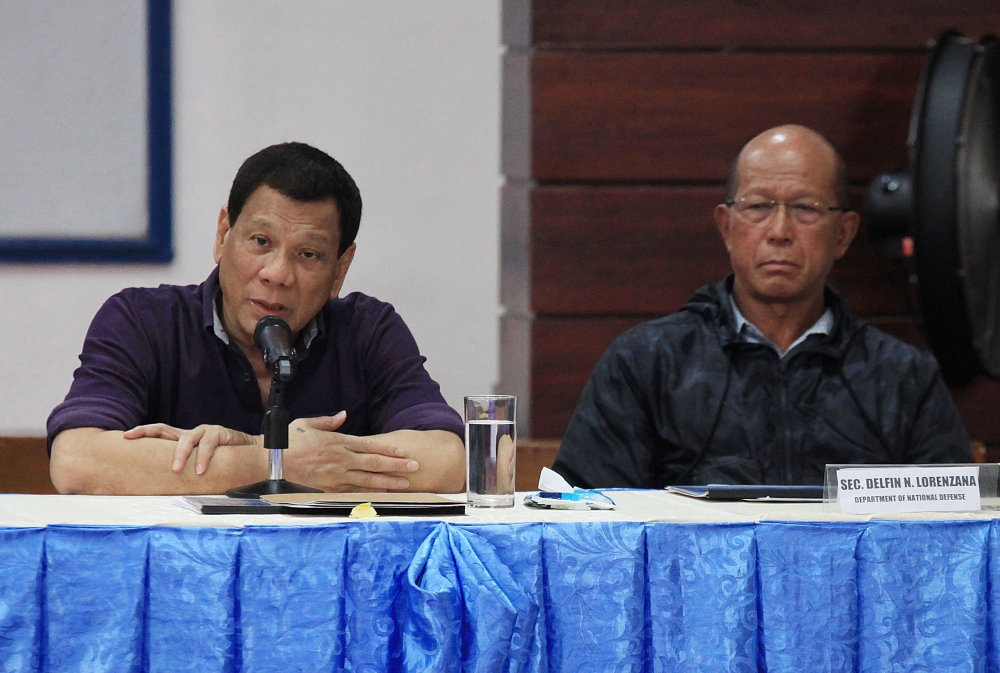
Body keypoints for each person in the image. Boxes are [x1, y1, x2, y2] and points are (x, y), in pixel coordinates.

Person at [552, 125, 971, 488]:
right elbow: (587, 523)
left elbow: (954, 536)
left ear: (843, 235)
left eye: (806, 208)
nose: (780, 231)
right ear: (726, 227)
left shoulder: (902, 378)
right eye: (758, 207)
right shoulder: (647, 364)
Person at [48, 142, 465, 494]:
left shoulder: (368, 331)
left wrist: (248, 448)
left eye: (308, 255)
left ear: (339, 269)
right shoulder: (141, 321)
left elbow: (447, 460)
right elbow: (77, 461)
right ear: (223, 235)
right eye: (261, 241)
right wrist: (274, 461)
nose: (277, 274)